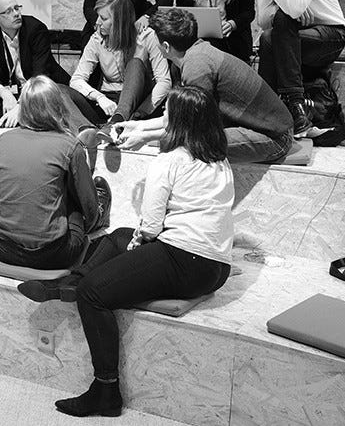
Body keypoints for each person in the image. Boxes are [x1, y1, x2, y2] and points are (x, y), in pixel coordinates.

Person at [18, 85, 234, 418]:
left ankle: (105, 391)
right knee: (118, 236)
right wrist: (134, 241)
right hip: (216, 268)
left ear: (177, 122)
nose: (162, 120)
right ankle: (69, 281)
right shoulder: (219, 160)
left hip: (184, 259)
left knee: (94, 294)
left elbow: (149, 225)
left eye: (167, 116)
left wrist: (139, 244)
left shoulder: (171, 160)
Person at [112, 9, 293, 164]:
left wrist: (144, 137)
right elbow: (179, 117)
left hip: (275, 138)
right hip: (262, 128)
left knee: (186, 147)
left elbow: (190, 128)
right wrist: (136, 127)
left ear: (166, 46)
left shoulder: (197, 66)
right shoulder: (195, 53)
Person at [241, 0, 345, 136]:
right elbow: (263, 20)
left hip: (329, 35)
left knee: (278, 28)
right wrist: (289, 9)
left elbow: (296, 7)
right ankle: (289, 111)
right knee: (272, 32)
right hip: (291, 37)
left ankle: (268, 113)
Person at [0, 76, 112, 270]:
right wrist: (92, 220)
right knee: (75, 200)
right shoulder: (70, 146)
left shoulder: (4, 140)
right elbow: (87, 204)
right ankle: (102, 214)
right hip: (52, 255)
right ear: (58, 107)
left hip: (3, 248)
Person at [70, 0, 171, 133]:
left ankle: (116, 124)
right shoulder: (97, 39)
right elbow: (76, 79)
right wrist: (99, 97)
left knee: (135, 63)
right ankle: (88, 131)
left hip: (138, 104)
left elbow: (164, 81)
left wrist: (141, 112)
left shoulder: (147, 36)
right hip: (109, 101)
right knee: (61, 91)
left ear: (119, 22)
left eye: (103, 18)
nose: (97, 22)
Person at [0, 0, 71, 128]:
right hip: (15, 90)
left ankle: (13, 113)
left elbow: (40, 73)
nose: (16, 14)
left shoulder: (35, 29)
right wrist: (5, 94)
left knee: (48, 98)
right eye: (9, 11)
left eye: (17, 8)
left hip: (41, 87)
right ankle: (21, 114)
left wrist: (20, 105)